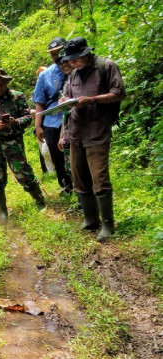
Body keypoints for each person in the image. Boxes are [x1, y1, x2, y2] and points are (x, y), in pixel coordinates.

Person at [61, 36, 125, 241]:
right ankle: (90, 219)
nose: (72, 63)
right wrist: (65, 102)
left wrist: (92, 100)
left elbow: (119, 93)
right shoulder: (73, 75)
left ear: (86, 53)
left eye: (76, 59)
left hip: (97, 130)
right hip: (76, 131)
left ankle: (107, 225)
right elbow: (67, 101)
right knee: (79, 176)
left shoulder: (106, 66)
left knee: (99, 177)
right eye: (70, 60)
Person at [0, 68, 46, 224]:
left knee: (23, 172)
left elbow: (28, 117)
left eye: (1, 84)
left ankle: (39, 200)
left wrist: (15, 122)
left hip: (13, 143)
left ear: (7, 82)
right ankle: (2, 210)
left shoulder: (17, 97)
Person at [33, 37, 73, 195]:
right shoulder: (46, 75)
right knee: (56, 155)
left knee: (73, 154)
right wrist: (38, 126)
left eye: (59, 52)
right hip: (51, 120)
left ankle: (80, 186)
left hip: (73, 117)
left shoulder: (76, 69)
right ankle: (65, 186)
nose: (57, 56)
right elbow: (39, 102)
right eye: (53, 54)